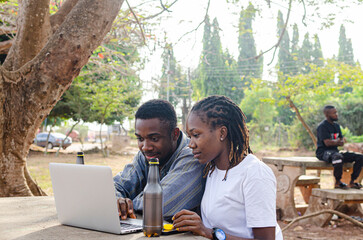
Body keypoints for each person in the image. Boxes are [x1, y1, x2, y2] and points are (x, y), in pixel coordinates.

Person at [172, 96, 283, 240]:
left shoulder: (254, 173)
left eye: (196, 135)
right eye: (189, 136)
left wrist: (209, 233)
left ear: (222, 133)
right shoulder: (212, 170)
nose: (190, 144)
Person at [113, 99, 205, 221]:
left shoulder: (193, 156)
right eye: (140, 138)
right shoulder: (147, 155)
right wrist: (117, 200)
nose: (145, 147)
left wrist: (125, 206)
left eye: (154, 138)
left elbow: (158, 206)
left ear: (175, 134)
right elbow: (116, 186)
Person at [316, 105, 362, 189]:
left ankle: (352, 182)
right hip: (323, 152)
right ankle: (337, 182)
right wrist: (337, 142)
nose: (336, 114)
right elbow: (327, 143)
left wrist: (335, 142)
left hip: (334, 152)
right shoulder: (322, 126)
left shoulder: (336, 126)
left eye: (336, 112)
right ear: (327, 115)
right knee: (338, 157)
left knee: (360, 157)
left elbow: (341, 141)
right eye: (334, 113)